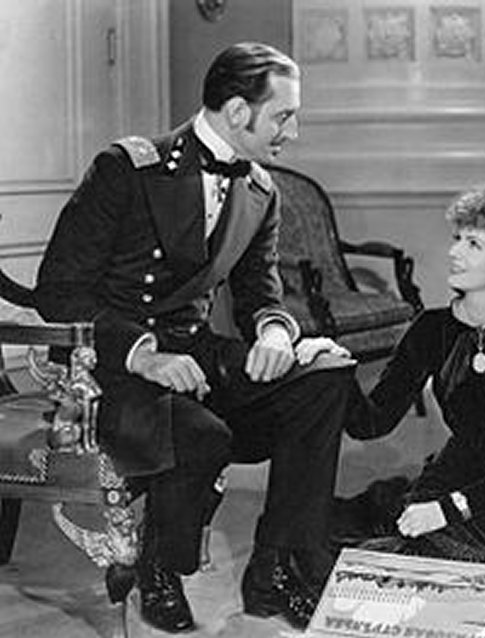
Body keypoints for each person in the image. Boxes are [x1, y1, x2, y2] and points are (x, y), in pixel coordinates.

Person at [33, 42, 355, 632]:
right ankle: (159, 569)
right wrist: (142, 354)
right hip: (110, 367)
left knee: (324, 376)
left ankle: (276, 570)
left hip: (194, 354)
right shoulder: (126, 169)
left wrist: (275, 333)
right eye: (284, 116)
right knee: (203, 434)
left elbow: (261, 294)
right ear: (237, 111)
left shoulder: (261, 190)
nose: (293, 132)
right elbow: (58, 291)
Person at [326, 187, 485, 567]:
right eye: (457, 238)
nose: (454, 252)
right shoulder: (431, 328)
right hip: (450, 476)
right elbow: (371, 422)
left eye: (473, 244)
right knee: (356, 545)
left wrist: (449, 509)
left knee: (444, 565)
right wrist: (337, 365)